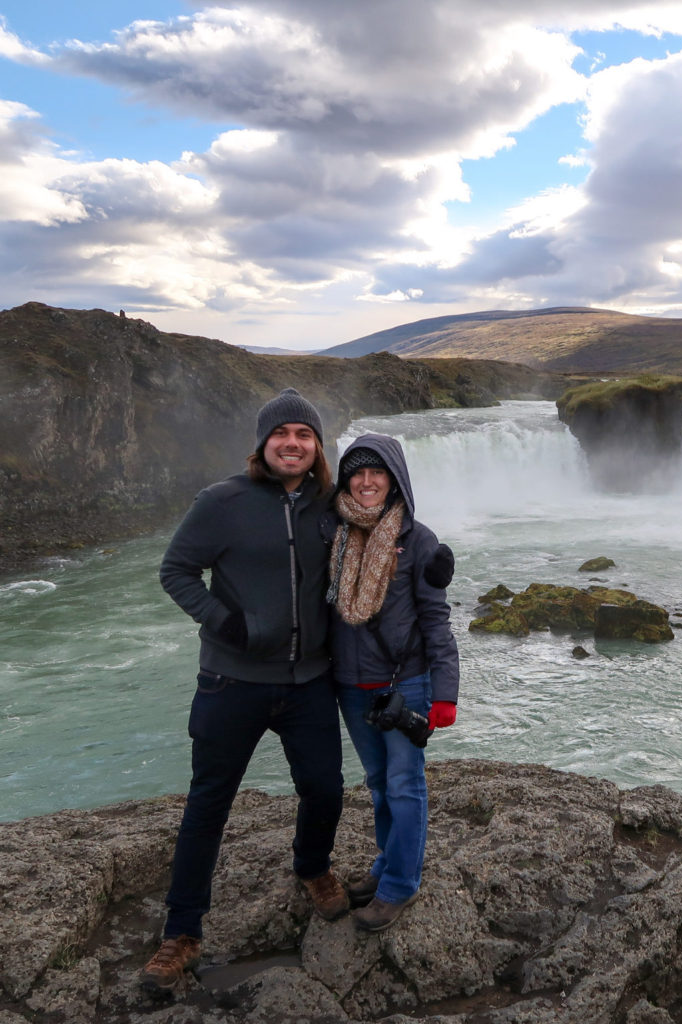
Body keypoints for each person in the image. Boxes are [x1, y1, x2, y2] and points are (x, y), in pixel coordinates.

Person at [141, 388, 347, 993]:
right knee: (208, 805)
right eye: (281, 434)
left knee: (325, 788)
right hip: (231, 681)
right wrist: (224, 621)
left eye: (304, 435)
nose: (293, 443)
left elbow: (388, 528)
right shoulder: (222, 501)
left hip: (309, 680)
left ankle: (312, 869)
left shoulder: (330, 505)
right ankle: (181, 933)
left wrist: (429, 557)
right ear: (263, 444)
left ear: (316, 447)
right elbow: (175, 571)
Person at [327, 433, 459, 932]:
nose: (366, 481)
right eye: (357, 472)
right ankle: (386, 864)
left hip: (407, 684)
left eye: (376, 472)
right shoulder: (333, 533)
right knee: (380, 784)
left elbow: (436, 620)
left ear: (394, 478)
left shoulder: (419, 541)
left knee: (405, 785)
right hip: (349, 684)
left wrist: (445, 693)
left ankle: (400, 885)